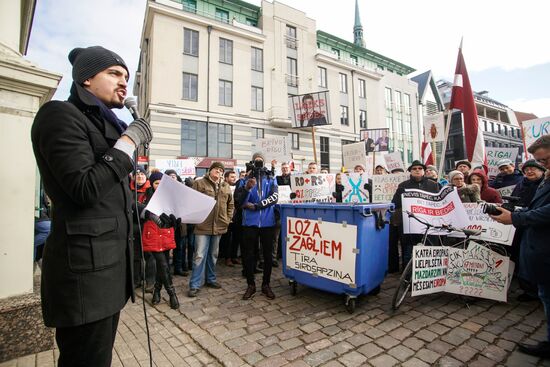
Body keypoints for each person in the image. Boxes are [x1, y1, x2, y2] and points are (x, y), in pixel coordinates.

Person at [31, 46, 153, 366]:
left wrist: (148, 213)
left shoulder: (105, 124)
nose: (123, 81)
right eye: (114, 73)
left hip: (110, 275)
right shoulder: (59, 115)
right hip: (84, 280)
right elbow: (84, 188)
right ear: (86, 79)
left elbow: (109, 200)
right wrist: (128, 142)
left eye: (126, 76)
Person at [490, 135, 550, 358]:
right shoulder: (547, 179)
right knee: (546, 296)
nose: (543, 165)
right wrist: (514, 213)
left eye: (545, 161)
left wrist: (516, 218)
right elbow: (534, 207)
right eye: (539, 161)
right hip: (538, 247)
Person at [234, 152, 279, 300]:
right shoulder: (243, 180)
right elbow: (239, 203)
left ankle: (266, 284)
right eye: (256, 161)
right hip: (249, 223)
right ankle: (250, 285)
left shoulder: (270, 177)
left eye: (261, 161)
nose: (258, 164)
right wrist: (247, 187)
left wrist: (257, 206)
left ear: (264, 163)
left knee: (267, 255)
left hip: (268, 223)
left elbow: (274, 197)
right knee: (248, 255)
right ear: (251, 162)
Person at [188, 162, 234, 297]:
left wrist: (227, 218)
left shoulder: (225, 186)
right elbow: (192, 201)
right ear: (210, 170)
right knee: (199, 255)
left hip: (219, 225)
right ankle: (195, 284)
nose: (218, 172)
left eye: (221, 170)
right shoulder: (200, 183)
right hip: (203, 225)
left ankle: (211, 279)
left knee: (213, 255)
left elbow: (230, 204)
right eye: (216, 169)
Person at [509, 159, 546, 302]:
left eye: (533, 169)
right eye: (527, 169)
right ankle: (528, 290)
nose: (530, 171)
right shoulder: (520, 185)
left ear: (541, 171)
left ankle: (538, 290)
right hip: (519, 224)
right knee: (520, 257)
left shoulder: (543, 185)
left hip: (536, 225)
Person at [142, 171, 180, 309]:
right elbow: (140, 212)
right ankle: (172, 294)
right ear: (152, 183)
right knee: (163, 264)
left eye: (160, 183)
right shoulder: (146, 196)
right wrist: (148, 213)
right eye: (156, 183)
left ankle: (157, 291)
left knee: (162, 266)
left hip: (165, 233)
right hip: (152, 234)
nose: (159, 186)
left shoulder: (169, 197)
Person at [391, 160, 440, 266]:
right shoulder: (403, 185)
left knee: (429, 250)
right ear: (410, 171)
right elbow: (395, 204)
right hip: (410, 225)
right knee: (408, 251)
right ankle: (407, 275)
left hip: (428, 225)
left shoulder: (434, 185)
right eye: (414, 169)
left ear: (424, 171)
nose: (417, 170)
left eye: (420, 168)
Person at [130, 166, 156, 290]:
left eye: (142, 174)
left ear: (146, 177)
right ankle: (136, 280)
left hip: (147, 225)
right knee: (135, 255)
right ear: (133, 176)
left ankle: (150, 281)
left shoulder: (151, 190)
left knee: (149, 255)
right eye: (137, 174)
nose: (140, 176)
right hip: (133, 226)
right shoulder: (128, 190)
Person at [220, 170, 240, 267]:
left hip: (236, 216)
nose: (234, 178)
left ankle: (234, 256)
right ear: (226, 178)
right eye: (232, 177)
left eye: (234, 177)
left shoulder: (238, 187)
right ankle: (227, 258)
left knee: (236, 237)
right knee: (227, 239)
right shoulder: (222, 187)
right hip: (226, 216)